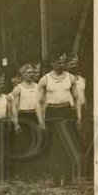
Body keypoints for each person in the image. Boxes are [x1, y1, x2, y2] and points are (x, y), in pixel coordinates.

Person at [39, 53, 83, 186]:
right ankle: (56, 178)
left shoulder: (70, 77)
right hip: (52, 112)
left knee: (68, 145)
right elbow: (39, 101)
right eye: (59, 62)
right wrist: (41, 121)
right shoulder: (45, 79)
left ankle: (68, 178)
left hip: (66, 112)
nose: (62, 64)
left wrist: (79, 117)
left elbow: (76, 99)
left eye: (63, 62)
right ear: (52, 63)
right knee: (54, 146)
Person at [11, 63, 44, 164]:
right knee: (24, 141)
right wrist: (16, 123)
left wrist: (41, 121)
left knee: (36, 140)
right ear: (23, 74)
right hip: (23, 116)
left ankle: (33, 165)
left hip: (34, 115)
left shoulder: (38, 87)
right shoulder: (18, 88)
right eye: (28, 73)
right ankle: (22, 166)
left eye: (32, 73)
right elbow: (14, 107)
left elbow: (41, 105)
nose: (31, 75)